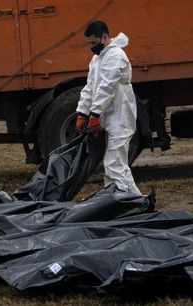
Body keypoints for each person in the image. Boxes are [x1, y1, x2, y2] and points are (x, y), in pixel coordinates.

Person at [75, 21, 141, 195]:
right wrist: (82, 112)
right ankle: (136, 200)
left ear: (104, 37)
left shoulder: (116, 55)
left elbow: (107, 86)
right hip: (110, 114)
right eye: (89, 44)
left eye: (94, 43)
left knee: (113, 163)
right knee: (118, 163)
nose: (91, 47)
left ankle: (117, 202)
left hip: (121, 114)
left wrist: (94, 113)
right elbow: (90, 87)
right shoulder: (98, 58)